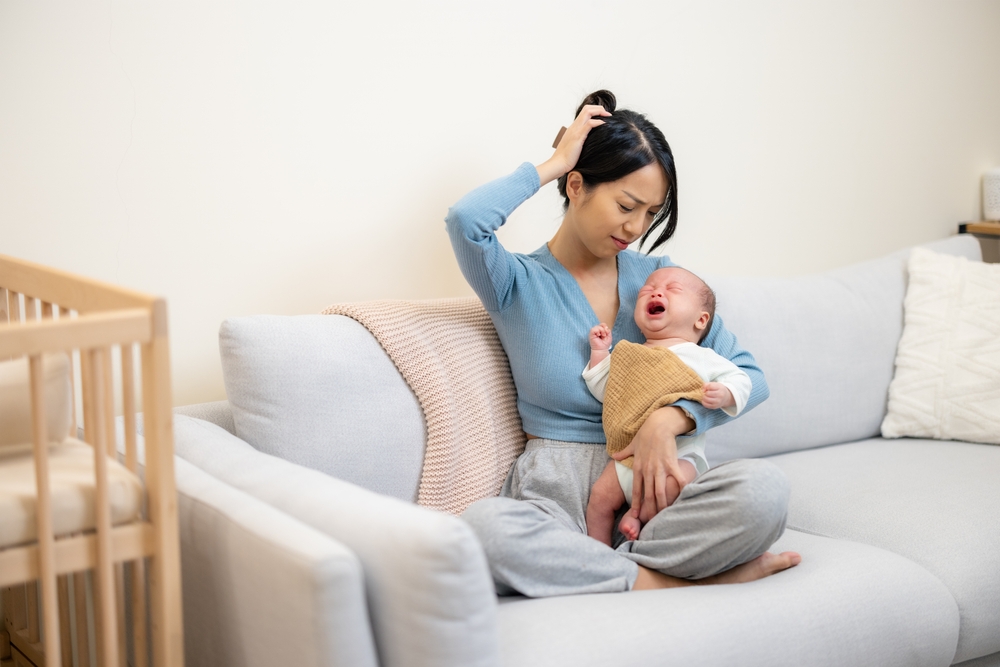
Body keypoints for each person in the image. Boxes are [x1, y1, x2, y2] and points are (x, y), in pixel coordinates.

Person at [448, 89, 800, 596]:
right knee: (485, 531)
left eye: (650, 213)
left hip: (657, 492)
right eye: (626, 205)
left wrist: (672, 417)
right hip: (558, 497)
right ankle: (662, 580)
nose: (636, 228)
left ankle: (599, 575)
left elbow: (752, 379)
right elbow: (466, 221)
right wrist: (555, 160)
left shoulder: (662, 280)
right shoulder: (515, 282)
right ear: (578, 186)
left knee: (765, 492)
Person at [583, 266, 752, 546]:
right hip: (626, 459)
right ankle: (598, 554)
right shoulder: (629, 354)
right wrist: (600, 354)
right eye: (647, 290)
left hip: (678, 457)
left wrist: (724, 394)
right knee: (599, 499)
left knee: (678, 487)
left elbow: (742, 379)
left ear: (701, 320)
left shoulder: (702, 358)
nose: (656, 291)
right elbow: (608, 393)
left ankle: (638, 518)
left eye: (672, 289)